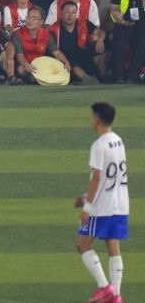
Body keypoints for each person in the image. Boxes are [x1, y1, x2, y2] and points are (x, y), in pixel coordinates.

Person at [74, 102, 128, 303]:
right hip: (120, 203)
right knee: (113, 245)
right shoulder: (118, 141)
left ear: (96, 119)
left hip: (102, 206)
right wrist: (85, 196)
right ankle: (116, 296)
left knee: (82, 244)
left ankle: (105, 287)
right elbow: (110, 177)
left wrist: (87, 206)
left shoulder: (99, 145)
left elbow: (97, 178)